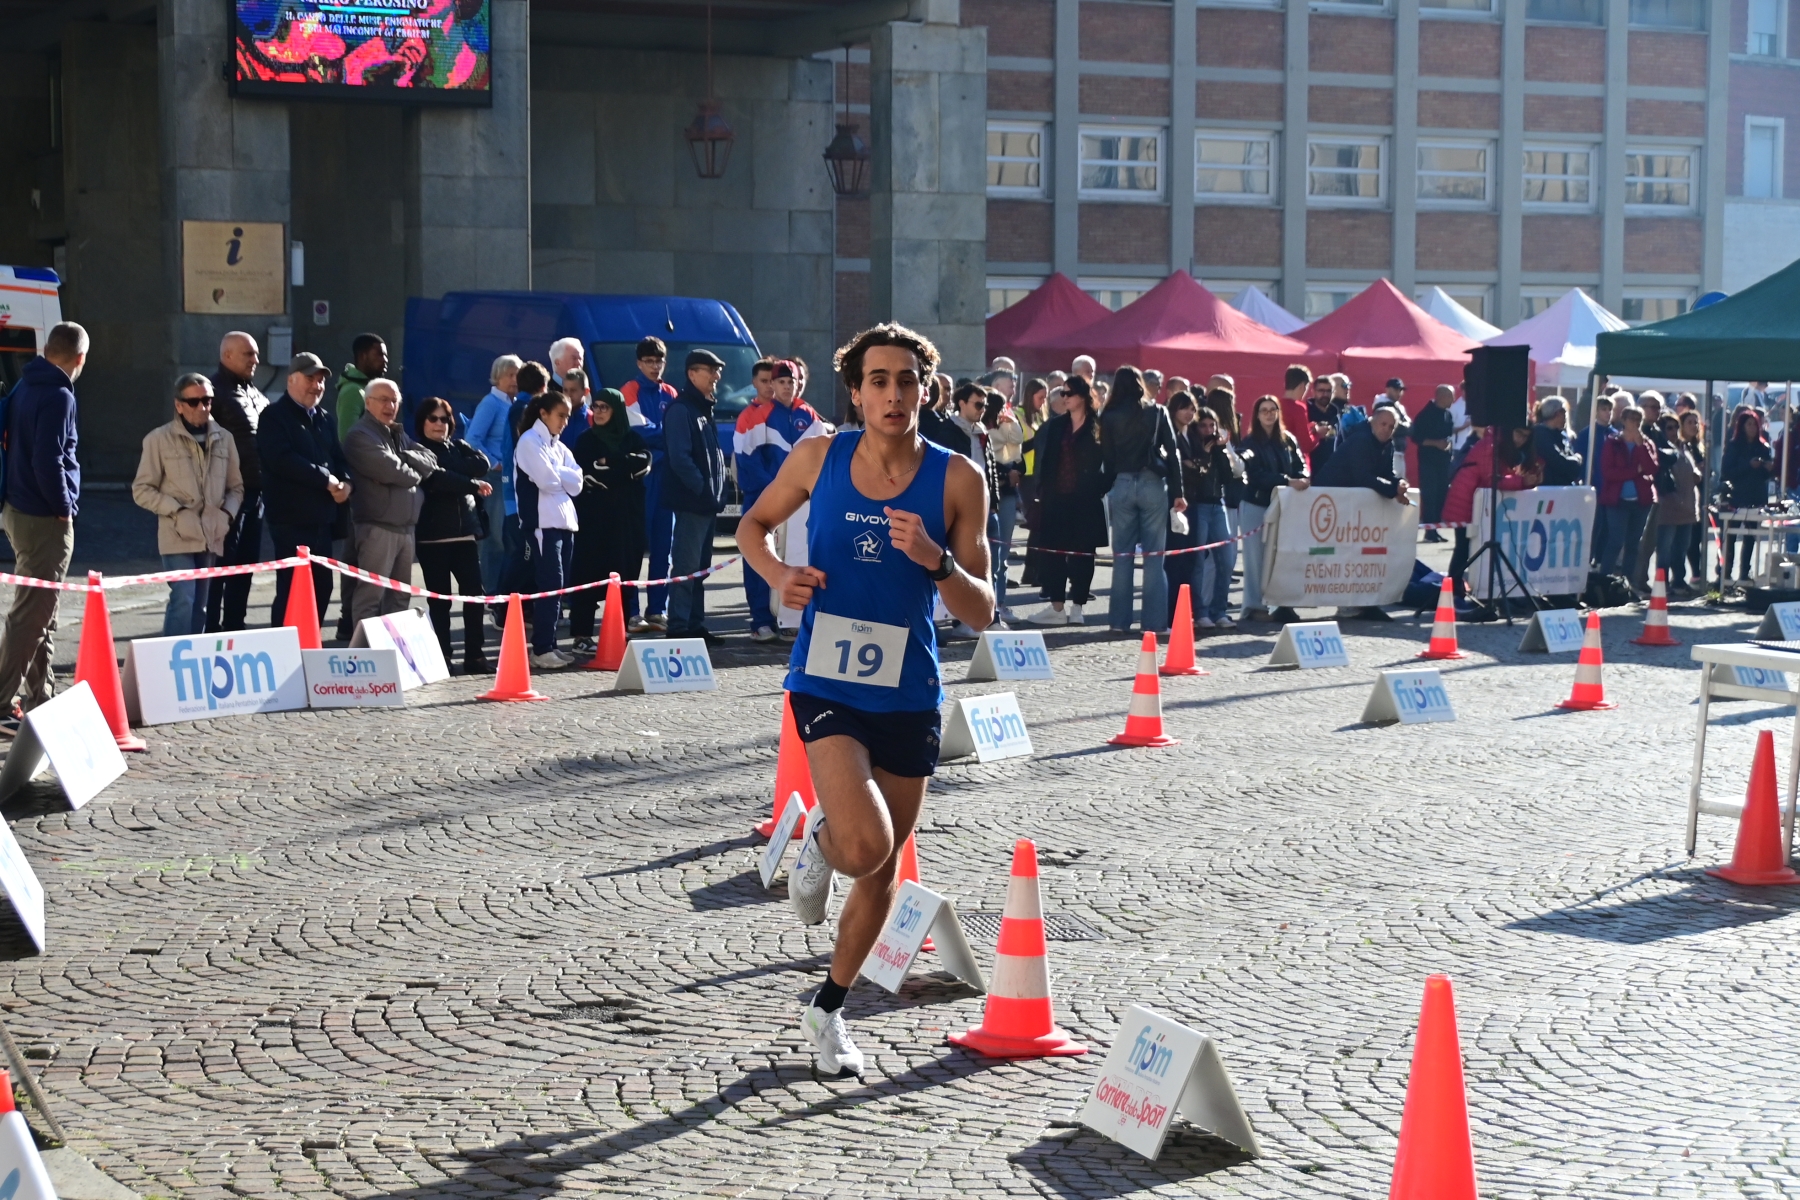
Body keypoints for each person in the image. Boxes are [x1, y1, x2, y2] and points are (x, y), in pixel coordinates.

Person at [736, 322, 994, 1078]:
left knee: (880, 873)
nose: (893, 393)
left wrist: (937, 561)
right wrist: (778, 574)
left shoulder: (957, 479)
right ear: (855, 392)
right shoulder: (820, 456)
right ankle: (823, 838)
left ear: (926, 389)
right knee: (867, 846)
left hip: (909, 690)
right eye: (878, 380)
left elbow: (981, 610)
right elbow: (753, 526)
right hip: (826, 679)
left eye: (907, 380)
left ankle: (828, 1009)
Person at [0, 321, 85, 727]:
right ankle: (2, 703)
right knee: (31, 616)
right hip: (42, 517)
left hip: (18, 510)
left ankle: (41, 699)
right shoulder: (58, 395)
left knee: (41, 613)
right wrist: (64, 507)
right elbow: (48, 459)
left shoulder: (25, 383)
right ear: (80, 358)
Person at [132, 373, 244, 636]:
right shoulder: (158, 439)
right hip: (177, 533)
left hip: (212, 532)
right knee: (184, 596)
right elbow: (141, 490)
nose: (202, 407)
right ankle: (172, 653)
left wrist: (226, 515)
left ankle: (194, 655)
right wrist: (176, 509)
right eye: (194, 402)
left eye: (207, 400)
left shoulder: (225, 438)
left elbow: (236, 488)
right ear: (179, 405)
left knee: (201, 605)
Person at [257, 352, 351, 627]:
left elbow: (339, 458)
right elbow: (282, 460)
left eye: (320, 380)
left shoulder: (325, 419)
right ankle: (282, 646)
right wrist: (326, 479)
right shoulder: (274, 416)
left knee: (322, 587)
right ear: (291, 380)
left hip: (323, 519)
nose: (317, 385)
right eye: (310, 378)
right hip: (291, 520)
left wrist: (347, 483)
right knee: (292, 591)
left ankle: (308, 645)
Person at [735, 359, 820, 642]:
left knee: (797, 557)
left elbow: (820, 458)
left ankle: (793, 618)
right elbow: (747, 459)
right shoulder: (756, 415)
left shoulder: (809, 415)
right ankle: (761, 619)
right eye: (781, 382)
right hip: (763, 498)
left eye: (790, 382)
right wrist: (777, 490)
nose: (786, 387)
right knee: (761, 557)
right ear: (772, 384)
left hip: (800, 503)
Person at [342, 379, 438, 625]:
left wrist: (404, 457)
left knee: (399, 599)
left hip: (406, 529)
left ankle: (393, 647)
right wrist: (414, 470)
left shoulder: (397, 433)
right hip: (377, 528)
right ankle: (363, 648)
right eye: (384, 400)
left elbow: (430, 459)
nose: (390, 406)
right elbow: (395, 472)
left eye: (395, 400)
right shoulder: (360, 435)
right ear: (368, 403)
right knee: (370, 597)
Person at [1100, 367, 1185, 634]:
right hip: (1152, 483)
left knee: (1122, 556)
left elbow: (1107, 458)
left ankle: (1118, 622)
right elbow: (1173, 452)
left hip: (1122, 483)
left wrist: (1106, 487)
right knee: (1154, 557)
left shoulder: (1109, 415)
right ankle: (1154, 623)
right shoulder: (1157, 411)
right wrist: (1178, 492)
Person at [414, 396, 493, 673]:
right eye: (433, 418)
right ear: (422, 422)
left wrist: (453, 473)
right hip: (432, 538)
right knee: (440, 601)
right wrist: (470, 484)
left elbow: (482, 463)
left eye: (445, 419)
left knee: (474, 597)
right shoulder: (417, 450)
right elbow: (435, 479)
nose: (439, 424)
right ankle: (442, 657)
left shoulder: (459, 446)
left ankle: (475, 656)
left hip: (465, 536)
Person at [570, 388, 651, 654]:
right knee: (587, 576)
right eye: (596, 406)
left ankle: (618, 632)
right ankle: (582, 635)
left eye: (605, 407)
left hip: (627, 522)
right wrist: (622, 469)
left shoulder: (633, 439)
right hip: (593, 522)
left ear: (617, 410)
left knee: (624, 576)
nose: (599, 412)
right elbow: (588, 475)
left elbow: (643, 464)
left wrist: (611, 462)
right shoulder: (586, 441)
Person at [1025, 378, 1109, 625]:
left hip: (1086, 500)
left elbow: (1111, 461)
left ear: (1082, 396)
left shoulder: (1098, 426)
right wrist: (1042, 488)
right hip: (1056, 499)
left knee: (1083, 555)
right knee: (1053, 553)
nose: (1064, 398)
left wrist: (1100, 487)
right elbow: (1044, 457)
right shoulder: (1056, 425)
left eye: (1069, 393)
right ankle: (1057, 606)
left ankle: (1078, 607)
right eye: (1062, 393)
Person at [514, 389, 583, 667]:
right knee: (550, 585)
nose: (565, 422)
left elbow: (577, 484)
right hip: (542, 524)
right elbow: (546, 481)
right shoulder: (529, 441)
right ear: (543, 414)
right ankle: (541, 648)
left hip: (565, 524)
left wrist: (558, 471)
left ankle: (550, 644)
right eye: (560, 416)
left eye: (568, 416)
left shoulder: (560, 448)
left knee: (559, 587)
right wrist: (562, 475)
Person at [663, 349, 728, 642]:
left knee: (700, 569)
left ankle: (694, 624)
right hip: (692, 502)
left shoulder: (702, 408)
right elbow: (680, 458)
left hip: (705, 503)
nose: (717, 376)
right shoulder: (682, 410)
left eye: (717, 370)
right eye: (710, 370)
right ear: (692, 374)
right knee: (687, 568)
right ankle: (679, 627)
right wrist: (703, 489)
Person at [207, 331, 269, 630]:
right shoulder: (212, 392)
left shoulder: (255, 393)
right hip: (225, 496)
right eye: (248, 354)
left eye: (256, 353)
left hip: (256, 494)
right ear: (227, 355)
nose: (255, 359)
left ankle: (235, 627)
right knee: (219, 567)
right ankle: (208, 628)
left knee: (245, 567)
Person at [621, 337, 680, 632]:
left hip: (665, 479)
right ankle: (631, 612)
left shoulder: (671, 393)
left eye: (659, 361)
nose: (655, 367)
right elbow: (639, 433)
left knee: (662, 548)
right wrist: (666, 437)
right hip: (639, 481)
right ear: (638, 363)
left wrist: (664, 437)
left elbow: (678, 432)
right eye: (649, 361)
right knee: (633, 549)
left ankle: (657, 609)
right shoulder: (628, 392)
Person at [1169, 399, 1243, 630]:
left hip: (1217, 504)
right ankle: (1200, 612)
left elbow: (1229, 477)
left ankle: (1218, 610)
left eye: (1212, 425)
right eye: (1204, 425)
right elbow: (1193, 476)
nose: (1208, 430)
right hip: (1199, 505)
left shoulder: (1216, 447)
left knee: (1226, 560)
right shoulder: (1192, 445)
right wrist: (1205, 452)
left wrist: (1221, 449)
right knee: (1198, 562)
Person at [1441, 426, 1537, 604]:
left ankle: (1456, 590)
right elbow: (1492, 478)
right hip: (1466, 501)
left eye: (1525, 437)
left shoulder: (1497, 444)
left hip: (1475, 501)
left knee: (1467, 549)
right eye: (1518, 433)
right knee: (1463, 549)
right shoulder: (1489, 445)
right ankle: (1453, 591)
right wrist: (1522, 481)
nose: (1520, 440)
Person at [332, 333, 388, 638]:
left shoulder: (369, 388)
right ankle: (348, 618)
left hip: (372, 485)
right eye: (380, 354)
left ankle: (355, 615)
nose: (385, 361)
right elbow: (348, 440)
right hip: (360, 486)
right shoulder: (354, 392)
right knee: (356, 551)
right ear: (363, 356)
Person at [1238, 394, 1308, 623]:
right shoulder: (1249, 443)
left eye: (1272, 410)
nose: (1269, 414)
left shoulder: (1288, 440)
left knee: (1283, 557)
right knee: (1255, 559)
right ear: (1257, 416)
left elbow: (1300, 465)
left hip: (1283, 506)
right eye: (1264, 410)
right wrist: (1287, 481)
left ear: (1278, 413)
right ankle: (1253, 607)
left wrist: (1303, 477)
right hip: (1255, 504)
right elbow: (1255, 475)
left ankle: (1281, 604)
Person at [468, 354, 521, 593]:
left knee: (508, 537)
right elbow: (472, 439)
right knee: (495, 539)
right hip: (494, 479)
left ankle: (503, 589)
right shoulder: (491, 403)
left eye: (517, 374)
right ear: (497, 377)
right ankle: (491, 591)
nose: (514, 379)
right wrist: (494, 463)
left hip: (511, 479)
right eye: (510, 374)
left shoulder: (513, 403)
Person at [1598, 407, 1659, 581]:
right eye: (1632, 419)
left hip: (1641, 501)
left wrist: (1640, 446)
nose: (1635, 422)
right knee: (1615, 541)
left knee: (1634, 544)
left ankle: (1628, 582)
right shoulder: (1613, 443)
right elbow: (1608, 472)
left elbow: (1651, 468)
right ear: (1623, 420)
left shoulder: (1647, 443)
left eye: (1638, 419)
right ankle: (1604, 580)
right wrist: (1634, 471)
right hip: (1617, 500)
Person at [1721, 407, 1775, 581]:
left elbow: (1766, 475)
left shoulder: (1763, 447)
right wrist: (1748, 465)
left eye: (1754, 424)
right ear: (1742, 426)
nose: (1752, 427)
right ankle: (1726, 572)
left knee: (1751, 536)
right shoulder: (1734, 446)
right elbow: (1727, 472)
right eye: (1749, 424)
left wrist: (1768, 469)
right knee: (1730, 536)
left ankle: (1745, 572)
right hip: (1737, 496)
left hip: (1756, 496)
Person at [985, 390, 1024, 622]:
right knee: (985, 554)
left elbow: (1017, 445)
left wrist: (1011, 423)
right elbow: (994, 444)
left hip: (1007, 494)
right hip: (987, 494)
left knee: (1002, 553)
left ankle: (999, 603)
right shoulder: (982, 430)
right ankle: (984, 606)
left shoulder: (1005, 425)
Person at [1654, 412, 1701, 598]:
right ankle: (1662, 582)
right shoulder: (1661, 449)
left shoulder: (1684, 447)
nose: (1673, 431)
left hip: (1687, 505)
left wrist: (1697, 474)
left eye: (1676, 427)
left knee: (1682, 547)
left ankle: (1679, 581)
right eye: (1669, 428)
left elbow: (1691, 469)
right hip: (1669, 506)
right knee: (1665, 548)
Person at [1411, 384, 1459, 537]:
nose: (1453, 400)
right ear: (1441, 396)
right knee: (1430, 496)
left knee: (1441, 495)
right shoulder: (1426, 415)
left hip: (1443, 462)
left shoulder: (1447, 415)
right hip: (1429, 462)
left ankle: (1436, 528)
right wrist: (1435, 443)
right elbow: (1416, 437)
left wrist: (1448, 445)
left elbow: (1449, 434)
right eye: (1450, 396)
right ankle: (1429, 530)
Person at [1530, 397, 1585, 487]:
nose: (1566, 418)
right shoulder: (1540, 434)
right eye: (1565, 413)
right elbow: (1559, 462)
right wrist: (1577, 459)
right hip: (1548, 488)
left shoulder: (1562, 436)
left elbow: (1570, 464)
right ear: (1558, 413)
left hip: (1562, 487)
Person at [558, 368, 594, 451]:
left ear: (586, 392)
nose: (568, 395)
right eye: (565, 390)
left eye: (573, 390)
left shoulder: (593, 420)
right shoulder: (555, 417)